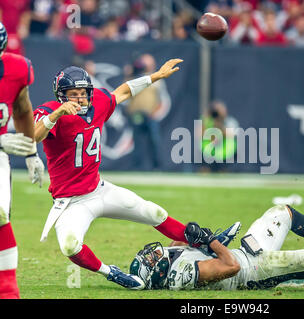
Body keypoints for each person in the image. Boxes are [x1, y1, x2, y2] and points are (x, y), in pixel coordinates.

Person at [32, 57, 204, 290]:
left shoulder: (97, 104)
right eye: (74, 94)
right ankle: (110, 272)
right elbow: (33, 135)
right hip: (71, 202)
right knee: (70, 246)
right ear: (62, 96)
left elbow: (123, 91)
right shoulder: (50, 112)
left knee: (154, 212)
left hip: (99, 190)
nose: (81, 98)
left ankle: (205, 242)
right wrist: (56, 115)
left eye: (83, 92)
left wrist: (156, 76)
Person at [130, 205, 304, 292]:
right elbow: (231, 267)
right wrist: (210, 241)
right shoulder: (183, 275)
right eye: (151, 258)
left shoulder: (171, 260)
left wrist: (193, 236)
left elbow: (180, 243)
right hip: (252, 271)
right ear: (159, 273)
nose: (153, 252)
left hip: (245, 251)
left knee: (282, 212)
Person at [0, 22, 45, 299]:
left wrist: (31, 151)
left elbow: (21, 107)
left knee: (0, 214)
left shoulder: (16, 70)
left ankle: (7, 290)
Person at [124, 54, 170, 170]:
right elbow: (125, 94)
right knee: (137, 141)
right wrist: (128, 75)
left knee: (154, 140)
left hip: (150, 115)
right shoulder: (134, 78)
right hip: (136, 115)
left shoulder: (157, 79)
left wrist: (157, 114)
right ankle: (136, 166)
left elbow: (163, 100)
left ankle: (157, 166)